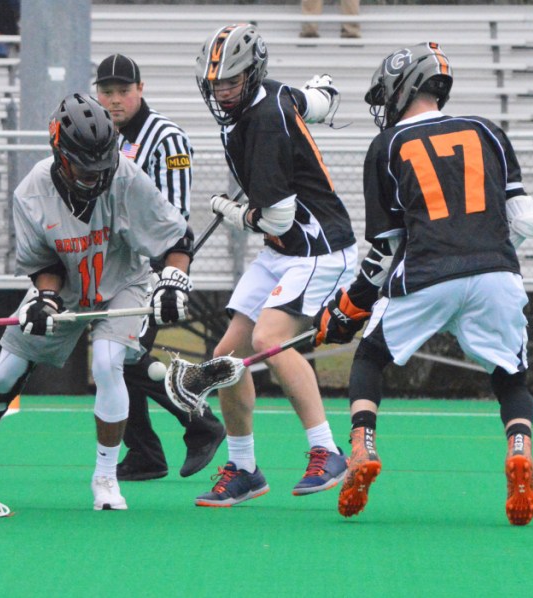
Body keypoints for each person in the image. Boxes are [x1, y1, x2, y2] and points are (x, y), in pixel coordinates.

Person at [313, 42, 533, 526]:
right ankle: (519, 446)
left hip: (427, 272)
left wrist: (349, 307)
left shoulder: (389, 145)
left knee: (371, 354)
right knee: (510, 375)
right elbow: (526, 221)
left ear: (403, 86)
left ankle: (363, 444)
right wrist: (488, 260)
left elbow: (386, 249)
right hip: (496, 272)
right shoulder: (487, 131)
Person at [0, 93, 195, 511]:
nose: (95, 174)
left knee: (106, 361)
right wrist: (44, 298)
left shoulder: (125, 175)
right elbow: (42, 262)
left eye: (102, 162)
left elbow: (177, 239)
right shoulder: (32, 191)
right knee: (5, 372)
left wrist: (174, 281)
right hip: (65, 285)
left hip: (123, 281)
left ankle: (104, 476)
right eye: (85, 164)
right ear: (60, 155)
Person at [193, 23, 356, 507]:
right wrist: (315, 99)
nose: (222, 92)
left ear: (252, 74)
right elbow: (322, 95)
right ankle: (244, 468)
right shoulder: (275, 95)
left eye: (231, 82)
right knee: (226, 360)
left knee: (267, 340)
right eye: (216, 83)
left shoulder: (262, 121)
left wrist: (228, 210)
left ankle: (327, 451)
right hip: (285, 252)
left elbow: (278, 219)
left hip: (317, 248)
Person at [94, 53, 225, 482]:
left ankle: (199, 424)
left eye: (123, 92)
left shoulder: (165, 138)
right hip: (114, 269)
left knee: (122, 359)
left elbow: (174, 216)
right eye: (107, 92)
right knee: (121, 360)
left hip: (151, 271)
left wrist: (167, 275)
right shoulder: (102, 136)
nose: (114, 101)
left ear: (141, 89)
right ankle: (147, 452)